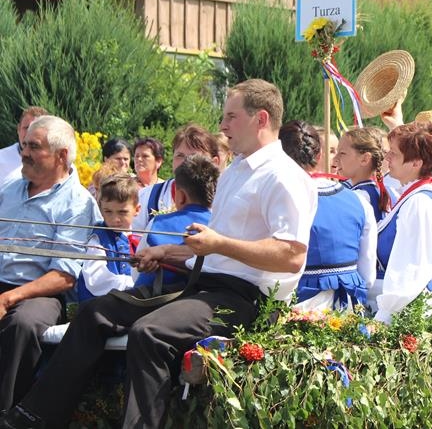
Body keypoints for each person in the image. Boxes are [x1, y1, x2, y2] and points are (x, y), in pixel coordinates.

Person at [2, 79, 317, 429]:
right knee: (96, 312)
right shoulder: (235, 172)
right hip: (203, 284)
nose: (223, 125)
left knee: (149, 333)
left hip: (246, 299)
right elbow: (214, 246)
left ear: (261, 119)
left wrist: (218, 245)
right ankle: (32, 418)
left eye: (231, 116)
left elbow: (291, 255)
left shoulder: (284, 176)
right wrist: (168, 251)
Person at [0, 115, 98, 413]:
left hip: (39, 293)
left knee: (23, 324)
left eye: (34, 146)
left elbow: (64, 276)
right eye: (24, 145)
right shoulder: (10, 188)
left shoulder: (77, 203)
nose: (24, 152)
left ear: (61, 156)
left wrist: (9, 298)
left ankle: (7, 412)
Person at [280, 120, 376, 311]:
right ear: (319, 155)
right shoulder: (358, 201)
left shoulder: (281, 198)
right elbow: (368, 273)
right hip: (347, 305)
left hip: (296, 303)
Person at [369, 122, 432, 323]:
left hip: (413, 312)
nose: (387, 157)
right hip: (412, 307)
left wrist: (384, 316)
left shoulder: (419, 203)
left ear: (416, 163)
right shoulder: (416, 196)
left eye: (394, 153)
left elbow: (412, 269)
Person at [133, 154, 219, 291]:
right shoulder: (218, 227)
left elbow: (136, 271)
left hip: (151, 297)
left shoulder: (158, 223)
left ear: (181, 196)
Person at [132, 125, 219, 232]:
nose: (186, 162)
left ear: (214, 162)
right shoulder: (147, 196)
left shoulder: (224, 200)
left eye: (194, 156)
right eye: (180, 156)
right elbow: (134, 238)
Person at [76, 174, 140, 301]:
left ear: (137, 210)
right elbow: (96, 280)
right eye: (108, 211)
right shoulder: (98, 239)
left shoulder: (139, 237)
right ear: (101, 209)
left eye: (122, 212)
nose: (115, 219)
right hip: (99, 306)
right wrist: (132, 283)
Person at [334, 127, 393, 222]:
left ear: (365, 159)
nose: (335, 159)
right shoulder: (382, 191)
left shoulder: (358, 197)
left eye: (342, 153)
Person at [0, 107, 48, 190]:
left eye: (36, 128)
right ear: (18, 129)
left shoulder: (58, 162)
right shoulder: (1, 158)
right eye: (27, 128)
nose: (30, 133)